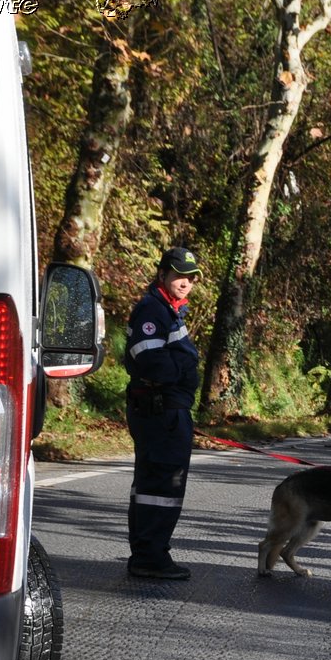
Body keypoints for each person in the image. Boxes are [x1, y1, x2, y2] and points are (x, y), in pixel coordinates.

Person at [125, 246, 203, 580]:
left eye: (190, 277)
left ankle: (150, 552)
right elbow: (152, 362)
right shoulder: (152, 310)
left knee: (156, 486)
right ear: (163, 275)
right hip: (161, 411)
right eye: (178, 275)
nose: (185, 282)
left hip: (167, 410)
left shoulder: (169, 311)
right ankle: (150, 557)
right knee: (161, 487)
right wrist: (181, 377)